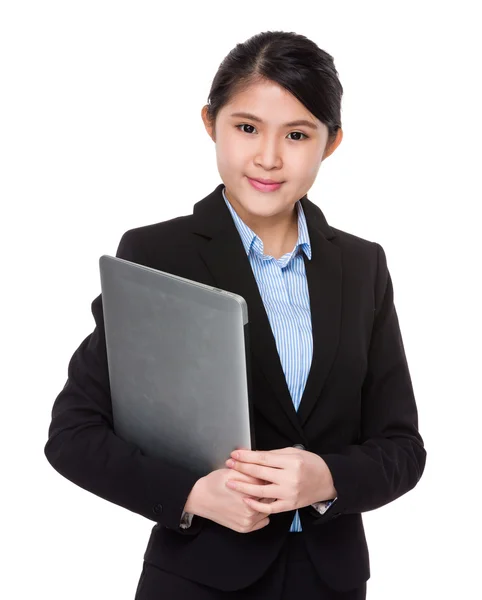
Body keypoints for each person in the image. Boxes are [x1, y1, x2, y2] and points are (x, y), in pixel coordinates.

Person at [44, 30, 426, 599]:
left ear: (331, 142)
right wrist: (193, 494)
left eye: (297, 135)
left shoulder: (362, 265)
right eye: (246, 128)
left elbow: (401, 446)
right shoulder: (157, 256)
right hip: (198, 580)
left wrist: (327, 479)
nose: (268, 158)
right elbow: (73, 434)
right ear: (210, 124)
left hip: (330, 583)